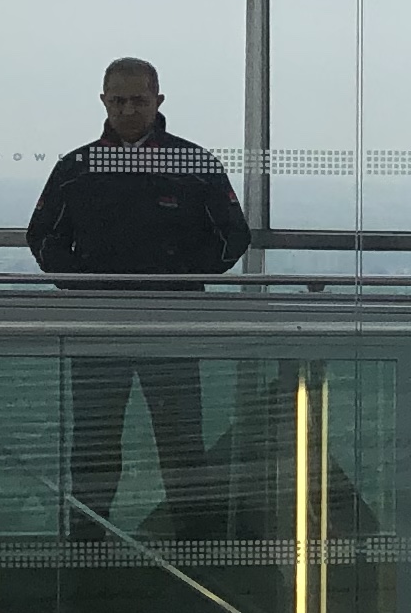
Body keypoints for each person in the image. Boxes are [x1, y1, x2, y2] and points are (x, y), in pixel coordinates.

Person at [26, 57, 249, 533]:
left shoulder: (194, 164)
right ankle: (86, 546)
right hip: (97, 326)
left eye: (138, 101)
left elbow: (234, 236)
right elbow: (42, 237)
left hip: (172, 324)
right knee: (94, 447)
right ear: (103, 101)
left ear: (158, 101)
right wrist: (84, 284)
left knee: (181, 445)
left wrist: (180, 279)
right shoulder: (78, 168)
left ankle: (195, 547)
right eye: (118, 100)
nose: (128, 110)